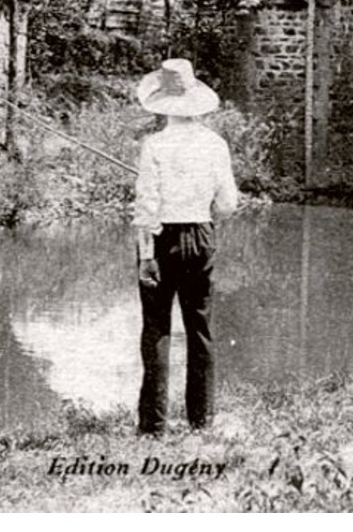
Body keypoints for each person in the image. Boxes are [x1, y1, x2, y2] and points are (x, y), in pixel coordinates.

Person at [132, 57, 239, 435]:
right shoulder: (215, 144)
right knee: (200, 328)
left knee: (157, 330)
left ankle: (154, 426)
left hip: (161, 241)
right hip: (202, 234)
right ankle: (202, 420)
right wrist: (201, 214)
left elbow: (146, 208)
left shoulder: (154, 145)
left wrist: (147, 258)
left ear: (161, 102)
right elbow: (228, 203)